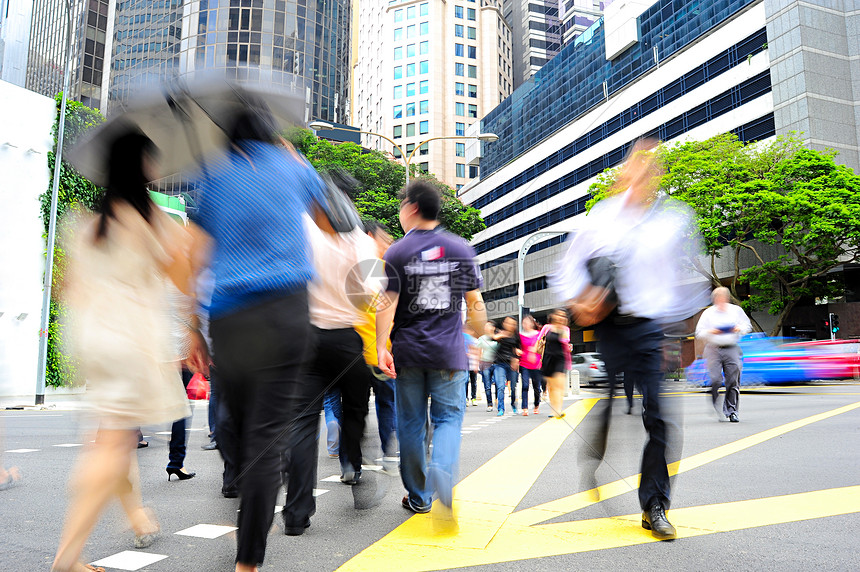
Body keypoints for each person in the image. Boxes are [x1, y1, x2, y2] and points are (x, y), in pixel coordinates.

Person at [552, 138, 709, 541]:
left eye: (650, 166)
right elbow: (567, 268)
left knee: (659, 416)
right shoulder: (602, 216)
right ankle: (597, 443)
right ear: (625, 171)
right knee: (608, 402)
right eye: (635, 163)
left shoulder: (672, 219)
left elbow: (684, 285)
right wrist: (581, 303)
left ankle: (654, 505)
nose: (641, 172)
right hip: (608, 324)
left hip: (649, 325)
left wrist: (683, 335)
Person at [52, 132, 195, 572]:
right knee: (110, 446)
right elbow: (184, 277)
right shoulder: (149, 216)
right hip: (131, 340)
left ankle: (137, 517)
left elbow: (68, 288)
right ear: (142, 167)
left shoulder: (89, 220)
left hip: (92, 339)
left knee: (115, 435)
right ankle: (67, 558)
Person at [193, 110, 324, 572]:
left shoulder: (214, 174)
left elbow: (198, 253)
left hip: (232, 318)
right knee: (267, 440)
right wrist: (295, 159)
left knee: (240, 431)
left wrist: (194, 326)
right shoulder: (292, 166)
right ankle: (247, 562)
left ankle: (242, 498)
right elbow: (325, 209)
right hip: (287, 312)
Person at [376, 181, 486, 516]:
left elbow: (386, 304)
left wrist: (382, 346)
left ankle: (420, 496)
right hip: (449, 353)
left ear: (410, 207)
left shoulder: (397, 251)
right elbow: (476, 304)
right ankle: (442, 470)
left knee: (410, 424)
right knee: (449, 419)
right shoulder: (460, 247)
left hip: (408, 353)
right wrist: (473, 336)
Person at [353, 220, 398, 470]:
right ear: (370, 236)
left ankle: (353, 463)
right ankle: (388, 452)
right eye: (385, 239)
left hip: (359, 352)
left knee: (354, 407)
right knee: (386, 403)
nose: (388, 244)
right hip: (380, 352)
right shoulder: (386, 270)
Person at [695, 286, 752, 422]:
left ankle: (732, 411)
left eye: (722, 297)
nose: (720, 300)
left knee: (733, 381)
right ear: (714, 299)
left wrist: (739, 329)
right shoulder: (708, 313)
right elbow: (699, 332)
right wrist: (712, 331)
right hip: (713, 348)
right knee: (716, 380)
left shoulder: (736, 311)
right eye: (717, 298)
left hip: (731, 347)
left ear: (726, 298)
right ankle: (714, 398)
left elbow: (747, 326)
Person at [539, 310, 571, 418]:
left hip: (560, 358)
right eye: (558, 315)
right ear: (553, 316)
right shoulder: (547, 327)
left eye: (563, 316)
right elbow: (539, 340)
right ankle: (553, 409)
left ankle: (558, 410)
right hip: (548, 358)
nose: (560, 317)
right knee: (551, 387)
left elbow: (565, 341)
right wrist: (533, 353)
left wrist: (561, 329)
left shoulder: (565, 329)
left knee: (559, 384)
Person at [492, 316, 522, 416]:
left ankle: (513, 404)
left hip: (511, 364)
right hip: (499, 363)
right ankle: (501, 408)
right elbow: (493, 338)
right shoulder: (499, 333)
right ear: (504, 323)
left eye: (512, 324)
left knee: (513, 386)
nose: (510, 325)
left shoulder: (516, 336)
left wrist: (517, 356)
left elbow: (519, 349)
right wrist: (500, 336)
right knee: (500, 386)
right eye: (508, 323)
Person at [519, 315, 544, 415]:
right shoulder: (520, 335)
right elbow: (517, 347)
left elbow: (542, 347)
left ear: (532, 323)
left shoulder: (538, 334)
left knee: (536, 386)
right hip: (524, 363)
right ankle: (524, 407)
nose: (525, 325)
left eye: (527, 322)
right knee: (525, 385)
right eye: (523, 323)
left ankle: (536, 405)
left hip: (536, 364)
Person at [476, 322, 498, 412]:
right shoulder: (481, 338)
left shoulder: (497, 338)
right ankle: (489, 404)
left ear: (493, 328)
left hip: (497, 363)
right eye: (485, 326)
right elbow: (478, 351)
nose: (486, 328)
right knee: (487, 385)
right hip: (485, 363)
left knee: (498, 383)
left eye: (489, 326)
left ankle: (497, 400)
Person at [464, 326, 481, 406]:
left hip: (473, 364)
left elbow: (478, 353)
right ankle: (466, 398)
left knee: (473, 382)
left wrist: (477, 364)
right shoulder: (463, 339)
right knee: (466, 381)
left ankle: (473, 398)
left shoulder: (475, 341)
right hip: (465, 364)